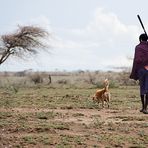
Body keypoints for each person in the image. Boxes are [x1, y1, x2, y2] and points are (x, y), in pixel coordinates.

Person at [130, 33, 148, 114]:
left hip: (141, 69)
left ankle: (142, 107)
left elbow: (137, 60)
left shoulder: (138, 47)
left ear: (140, 39)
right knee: (147, 89)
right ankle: (145, 108)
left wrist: (135, 71)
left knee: (142, 87)